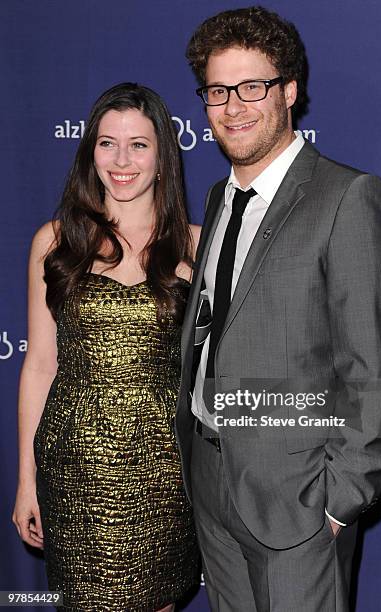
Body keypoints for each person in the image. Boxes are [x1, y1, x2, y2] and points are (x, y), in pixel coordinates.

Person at [175, 6, 381, 611]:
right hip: (211, 477)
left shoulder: (349, 197)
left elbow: (375, 370)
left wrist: (338, 502)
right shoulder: (221, 196)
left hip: (298, 500)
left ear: (290, 91)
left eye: (253, 86)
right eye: (218, 90)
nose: (234, 106)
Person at [12, 82, 200, 611]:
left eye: (139, 144)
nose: (122, 160)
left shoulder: (196, 245)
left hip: (164, 466)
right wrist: (26, 480)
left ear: (163, 155)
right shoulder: (53, 241)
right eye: (106, 143)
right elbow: (40, 365)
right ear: (89, 152)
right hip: (72, 465)